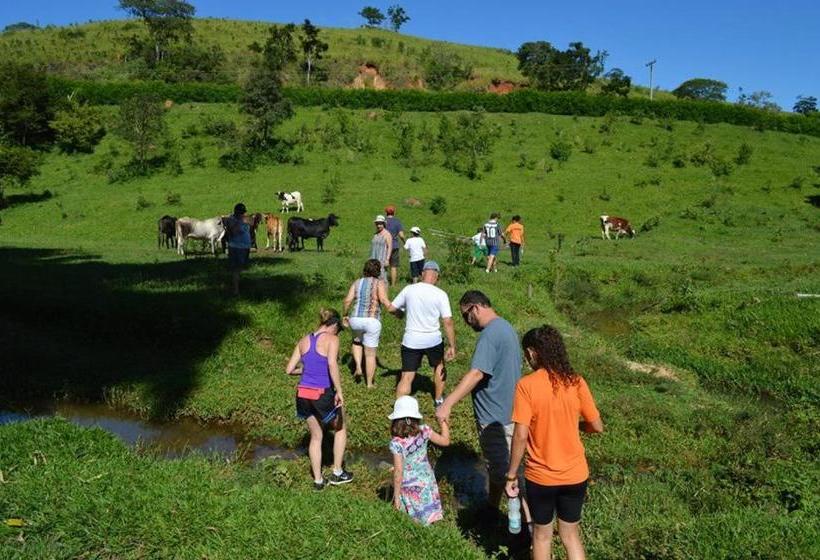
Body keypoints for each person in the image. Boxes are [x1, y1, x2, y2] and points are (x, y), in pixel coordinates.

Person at [505, 325, 603, 560]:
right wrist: (575, 425)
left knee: (542, 536)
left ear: (532, 352)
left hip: (542, 477)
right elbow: (597, 426)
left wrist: (510, 475)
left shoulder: (526, 386)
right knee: (571, 536)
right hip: (575, 474)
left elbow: (520, 435)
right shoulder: (576, 382)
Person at [435, 290, 524, 520]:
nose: (466, 322)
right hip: (508, 412)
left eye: (466, 316)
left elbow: (476, 373)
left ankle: (529, 527)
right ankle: (493, 509)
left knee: (510, 474)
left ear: (475, 308)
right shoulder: (506, 327)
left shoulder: (490, 334)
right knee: (499, 467)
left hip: (496, 418)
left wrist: (448, 404)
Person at [285, 308, 354, 490]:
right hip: (322, 393)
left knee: (316, 436)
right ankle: (338, 472)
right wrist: (339, 391)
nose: (338, 332)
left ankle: (318, 481)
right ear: (332, 325)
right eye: (338, 328)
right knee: (340, 428)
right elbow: (332, 364)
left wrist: (305, 370)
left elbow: (289, 369)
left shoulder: (303, 340)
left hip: (303, 393)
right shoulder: (332, 339)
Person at [387, 261, 456, 406]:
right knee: (439, 367)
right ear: (437, 276)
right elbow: (448, 321)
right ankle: (438, 400)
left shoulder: (409, 289)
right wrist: (452, 345)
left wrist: (401, 314)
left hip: (411, 340)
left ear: (422, 273)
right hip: (433, 340)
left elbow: (391, 308)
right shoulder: (440, 294)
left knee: (406, 376)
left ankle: (399, 410)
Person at [389, 395, 451, 525]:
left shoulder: (396, 443)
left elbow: (399, 473)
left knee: (414, 519)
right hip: (426, 478)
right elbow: (445, 441)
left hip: (409, 485)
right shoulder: (425, 430)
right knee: (427, 510)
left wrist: (396, 498)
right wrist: (443, 422)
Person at [343, 259, 392, 388]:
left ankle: (358, 367)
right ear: (378, 271)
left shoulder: (357, 282)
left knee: (357, 342)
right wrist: (394, 310)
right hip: (372, 319)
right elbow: (383, 299)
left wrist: (345, 314)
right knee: (370, 354)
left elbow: (347, 300)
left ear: (364, 269)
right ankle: (369, 383)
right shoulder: (379, 283)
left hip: (356, 319)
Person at [225, 203, 252, 296]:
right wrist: (238, 221)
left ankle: (238, 286)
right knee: (236, 269)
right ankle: (236, 290)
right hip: (235, 247)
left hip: (245, 246)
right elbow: (232, 232)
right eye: (241, 213)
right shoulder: (231, 220)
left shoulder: (245, 218)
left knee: (241, 267)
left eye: (243, 213)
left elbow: (252, 221)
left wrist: (241, 219)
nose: (242, 214)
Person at [384, 206, 406, 287]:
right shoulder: (397, 222)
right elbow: (401, 235)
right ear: (394, 212)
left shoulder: (383, 221)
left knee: (384, 265)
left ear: (386, 212)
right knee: (393, 266)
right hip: (394, 245)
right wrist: (404, 242)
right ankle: (393, 285)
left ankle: (383, 283)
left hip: (384, 246)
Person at [369, 215, 392, 283]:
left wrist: (387, 259)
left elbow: (390, 247)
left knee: (381, 276)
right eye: (377, 224)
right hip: (373, 258)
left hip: (382, 259)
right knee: (372, 275)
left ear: (384, 224)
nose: (379, 225)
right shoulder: (375, 234)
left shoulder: (387, 234)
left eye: (380, 224)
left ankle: (383, 291)